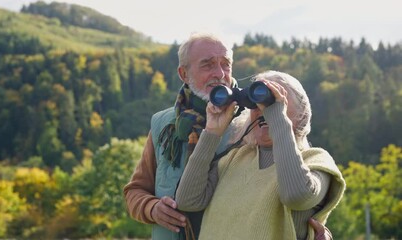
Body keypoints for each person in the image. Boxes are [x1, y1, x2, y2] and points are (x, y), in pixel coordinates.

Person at [123, 33, 335, 240]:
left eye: (226, 64)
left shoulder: (250, 121)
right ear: (183, 74)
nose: (219, 73)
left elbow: (295, 171)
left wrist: (309, 229)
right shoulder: (164, 124)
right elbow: (136, 190)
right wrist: (151, 208)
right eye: (207, 64)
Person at [175, 70, 346, 240]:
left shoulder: (315, 160)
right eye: (256, 104)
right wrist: (212, 132)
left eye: (274, 100)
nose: (263, 109)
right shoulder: (234, 158)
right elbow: (188, 200)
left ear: (302, 114)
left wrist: (277, 117)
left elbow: (295, 196)